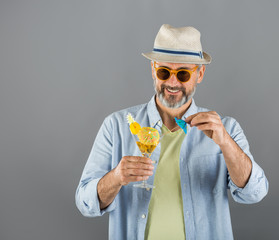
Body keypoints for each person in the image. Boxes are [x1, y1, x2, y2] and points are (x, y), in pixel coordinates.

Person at [75, 24, 268, 240]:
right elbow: (85, 202)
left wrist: (226, 144)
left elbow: (254, 193)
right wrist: (116, 177)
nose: (172, 82)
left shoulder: (226, 129)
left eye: (183, 74)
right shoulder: (116, 126)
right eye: (164, 72)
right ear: (153, 71)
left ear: (200, 73)